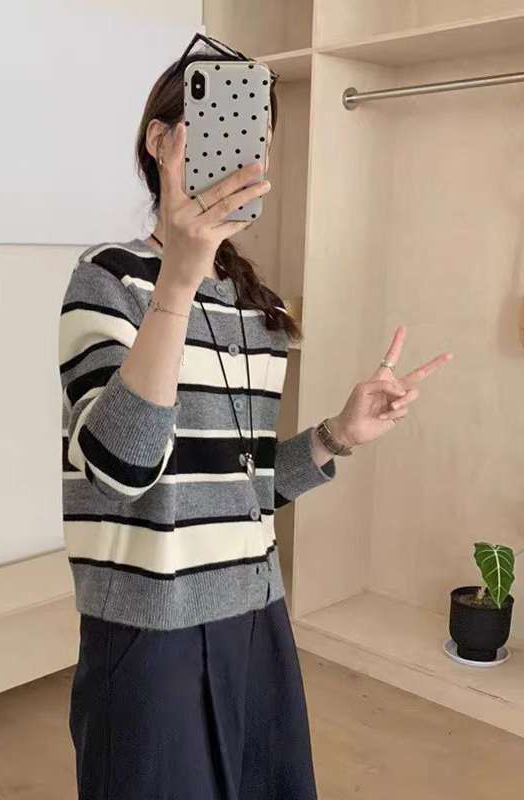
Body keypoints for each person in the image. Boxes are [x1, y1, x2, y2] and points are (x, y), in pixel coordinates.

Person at [58, 42, 452, 800]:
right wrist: (178, 279)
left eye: (255, 140)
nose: (244, 158)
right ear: (161, 140)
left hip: (257, 616)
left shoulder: (257, 312)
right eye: (221, 131)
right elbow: (119, 468)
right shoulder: (107, 279)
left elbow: (242, 491)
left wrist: (337, 435)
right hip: (149, 633)